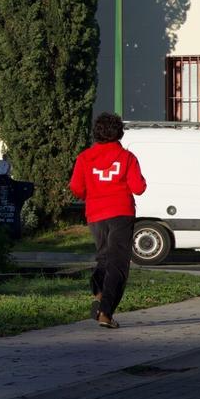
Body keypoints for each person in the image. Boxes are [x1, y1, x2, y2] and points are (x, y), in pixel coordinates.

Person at [69, 112, 147, 329]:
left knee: (103, 258)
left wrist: (92, 195)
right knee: (118, 263)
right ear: (119, 133)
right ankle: (106, 312)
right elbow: (138, 188)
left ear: (96, 132)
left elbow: (76, 188)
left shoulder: (84, 158)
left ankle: (99, 292)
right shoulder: (127, 158)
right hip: (121, 212)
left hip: (96, 214)